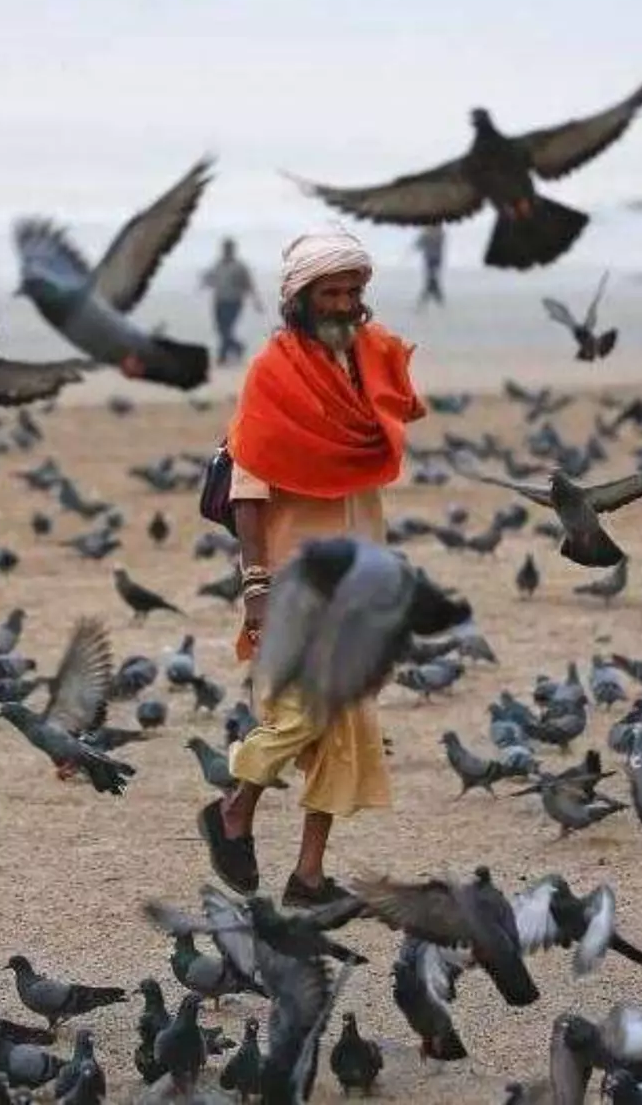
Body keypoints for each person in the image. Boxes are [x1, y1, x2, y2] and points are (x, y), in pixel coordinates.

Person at [197, 225, 427, 908]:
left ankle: (308, 876)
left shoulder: (370, 357)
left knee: (347, 725)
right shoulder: (273, 373)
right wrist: (255, 585)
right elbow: (247, 484)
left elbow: (402, 409)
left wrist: (376, 373)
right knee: (303, 711)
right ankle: (233, 809)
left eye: (355, 290)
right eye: (331, 291)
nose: (346, 303)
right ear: (300, 297)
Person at [200, 237, 265, 366]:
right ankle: (238, 347)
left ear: (233, 250)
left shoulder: (240, 267)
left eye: (229, 248)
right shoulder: (218, 264)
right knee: (220, 329)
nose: (226, 251)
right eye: (225, 248)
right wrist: (204, 282)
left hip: (234, 302)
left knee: (227, 328)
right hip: (219, 301)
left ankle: (222, 356)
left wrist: (256, 301)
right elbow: (210, 279)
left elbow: (249, 284)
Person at [413, 223, 446, 309]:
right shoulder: (439, 233)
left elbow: (419, 244)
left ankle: (426, 299)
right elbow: (420, 243)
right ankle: (437, 298)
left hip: (431, 259)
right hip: (435, 259)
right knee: (432, 278)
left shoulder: (432, 233)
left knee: (431, 278)